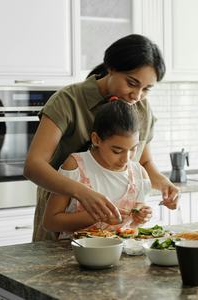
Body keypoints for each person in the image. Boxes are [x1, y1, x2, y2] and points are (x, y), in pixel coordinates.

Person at [24, 34, 180, 241]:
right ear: (111, 68)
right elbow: (33, 165)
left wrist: (164, 184)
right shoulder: (68, 101)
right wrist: (82, 193)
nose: (137, 95)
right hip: (63, 225)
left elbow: (143, 162)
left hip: (115, 235)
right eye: (131, 83)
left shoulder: (141, 108)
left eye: (146, 89)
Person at [43, 100, 153, 239]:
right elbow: (50, 222)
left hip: (122, 255)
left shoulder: (139, 173)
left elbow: (135, 225)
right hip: (75, 254)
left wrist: (142, 217)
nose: (126, 159)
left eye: (133, 149)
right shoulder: (76, 165)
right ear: (96, 139)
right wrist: (95, 216)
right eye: (117, 151)